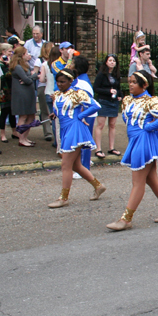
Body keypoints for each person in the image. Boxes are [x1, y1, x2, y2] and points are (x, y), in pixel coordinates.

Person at [106, 70, 158, 231]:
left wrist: (148, 127)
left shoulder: (152, 101)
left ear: (144, 85)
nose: (130, 84)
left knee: (137, 182)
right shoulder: (127, 100)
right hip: (136, 140)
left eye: (133, 82)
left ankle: (126, 219)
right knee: (150, 178)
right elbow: (126, 118)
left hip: (145, 141)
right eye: (129, 81)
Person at [47, 66, 106, 208]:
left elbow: (95, 105)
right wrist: (55, 113)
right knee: (76, 165)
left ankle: (63, 198)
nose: (59, 84)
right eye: (58, 81)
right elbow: (60, 110)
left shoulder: (78, 93)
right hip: (65, 130)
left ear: (70, 81)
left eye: (62, 81)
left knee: (66, 165)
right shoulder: (58, 94)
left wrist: (80, 116)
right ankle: (98, 186)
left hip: (75, 130)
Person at [93, 54, 123, 158]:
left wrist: (120, 96)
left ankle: (111, 147)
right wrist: (108, 91)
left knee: (112, 125)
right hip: (103, 101)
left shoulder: (116, 75)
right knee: (100, 125)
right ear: (106, 62)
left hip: (113, 102)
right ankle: (98, 149)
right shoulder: (101, 75)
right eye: (110, 60)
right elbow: (96, 88)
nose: (112, 62)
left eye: (114, 61)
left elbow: (119, 88)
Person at [9, 46, 40, 147]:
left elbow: (28, 78)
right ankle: (21, 139)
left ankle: (25, 137)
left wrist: (30, 77)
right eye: (27, 53)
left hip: (28, 93)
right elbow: (27, 80)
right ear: (22, 55)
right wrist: (34, 76)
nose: (29, 55)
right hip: (22, 94)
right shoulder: (17, 67)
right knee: (23, 116)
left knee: (31, 116)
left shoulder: (25, 65)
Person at [34, 41, 54, 141]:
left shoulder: (55, 61)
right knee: (44, 110)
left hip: (52, 87)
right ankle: (48, 132)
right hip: (43, 87)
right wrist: (44, 76)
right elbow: (35, 73)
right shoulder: (39, 61)